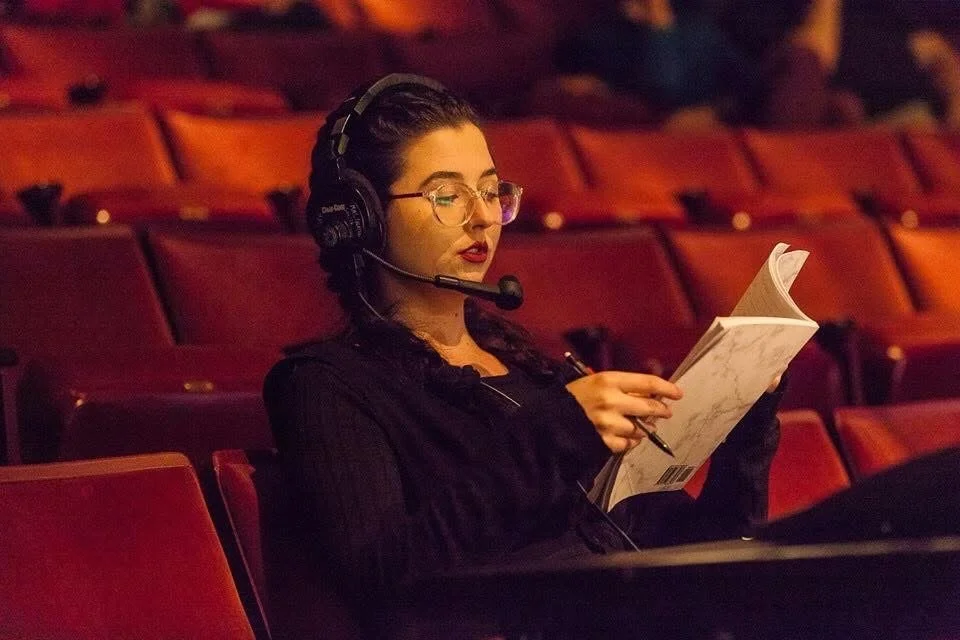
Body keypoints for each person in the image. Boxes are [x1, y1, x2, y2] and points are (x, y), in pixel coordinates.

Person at [263, 74, 785, 633]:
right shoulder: (325, 384)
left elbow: (700, 563)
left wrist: (744, 430)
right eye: (447, 194)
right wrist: (553, 435)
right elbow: (385, 580)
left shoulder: (536, 374)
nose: (483, 217)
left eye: (490, 191)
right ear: (361, 218)